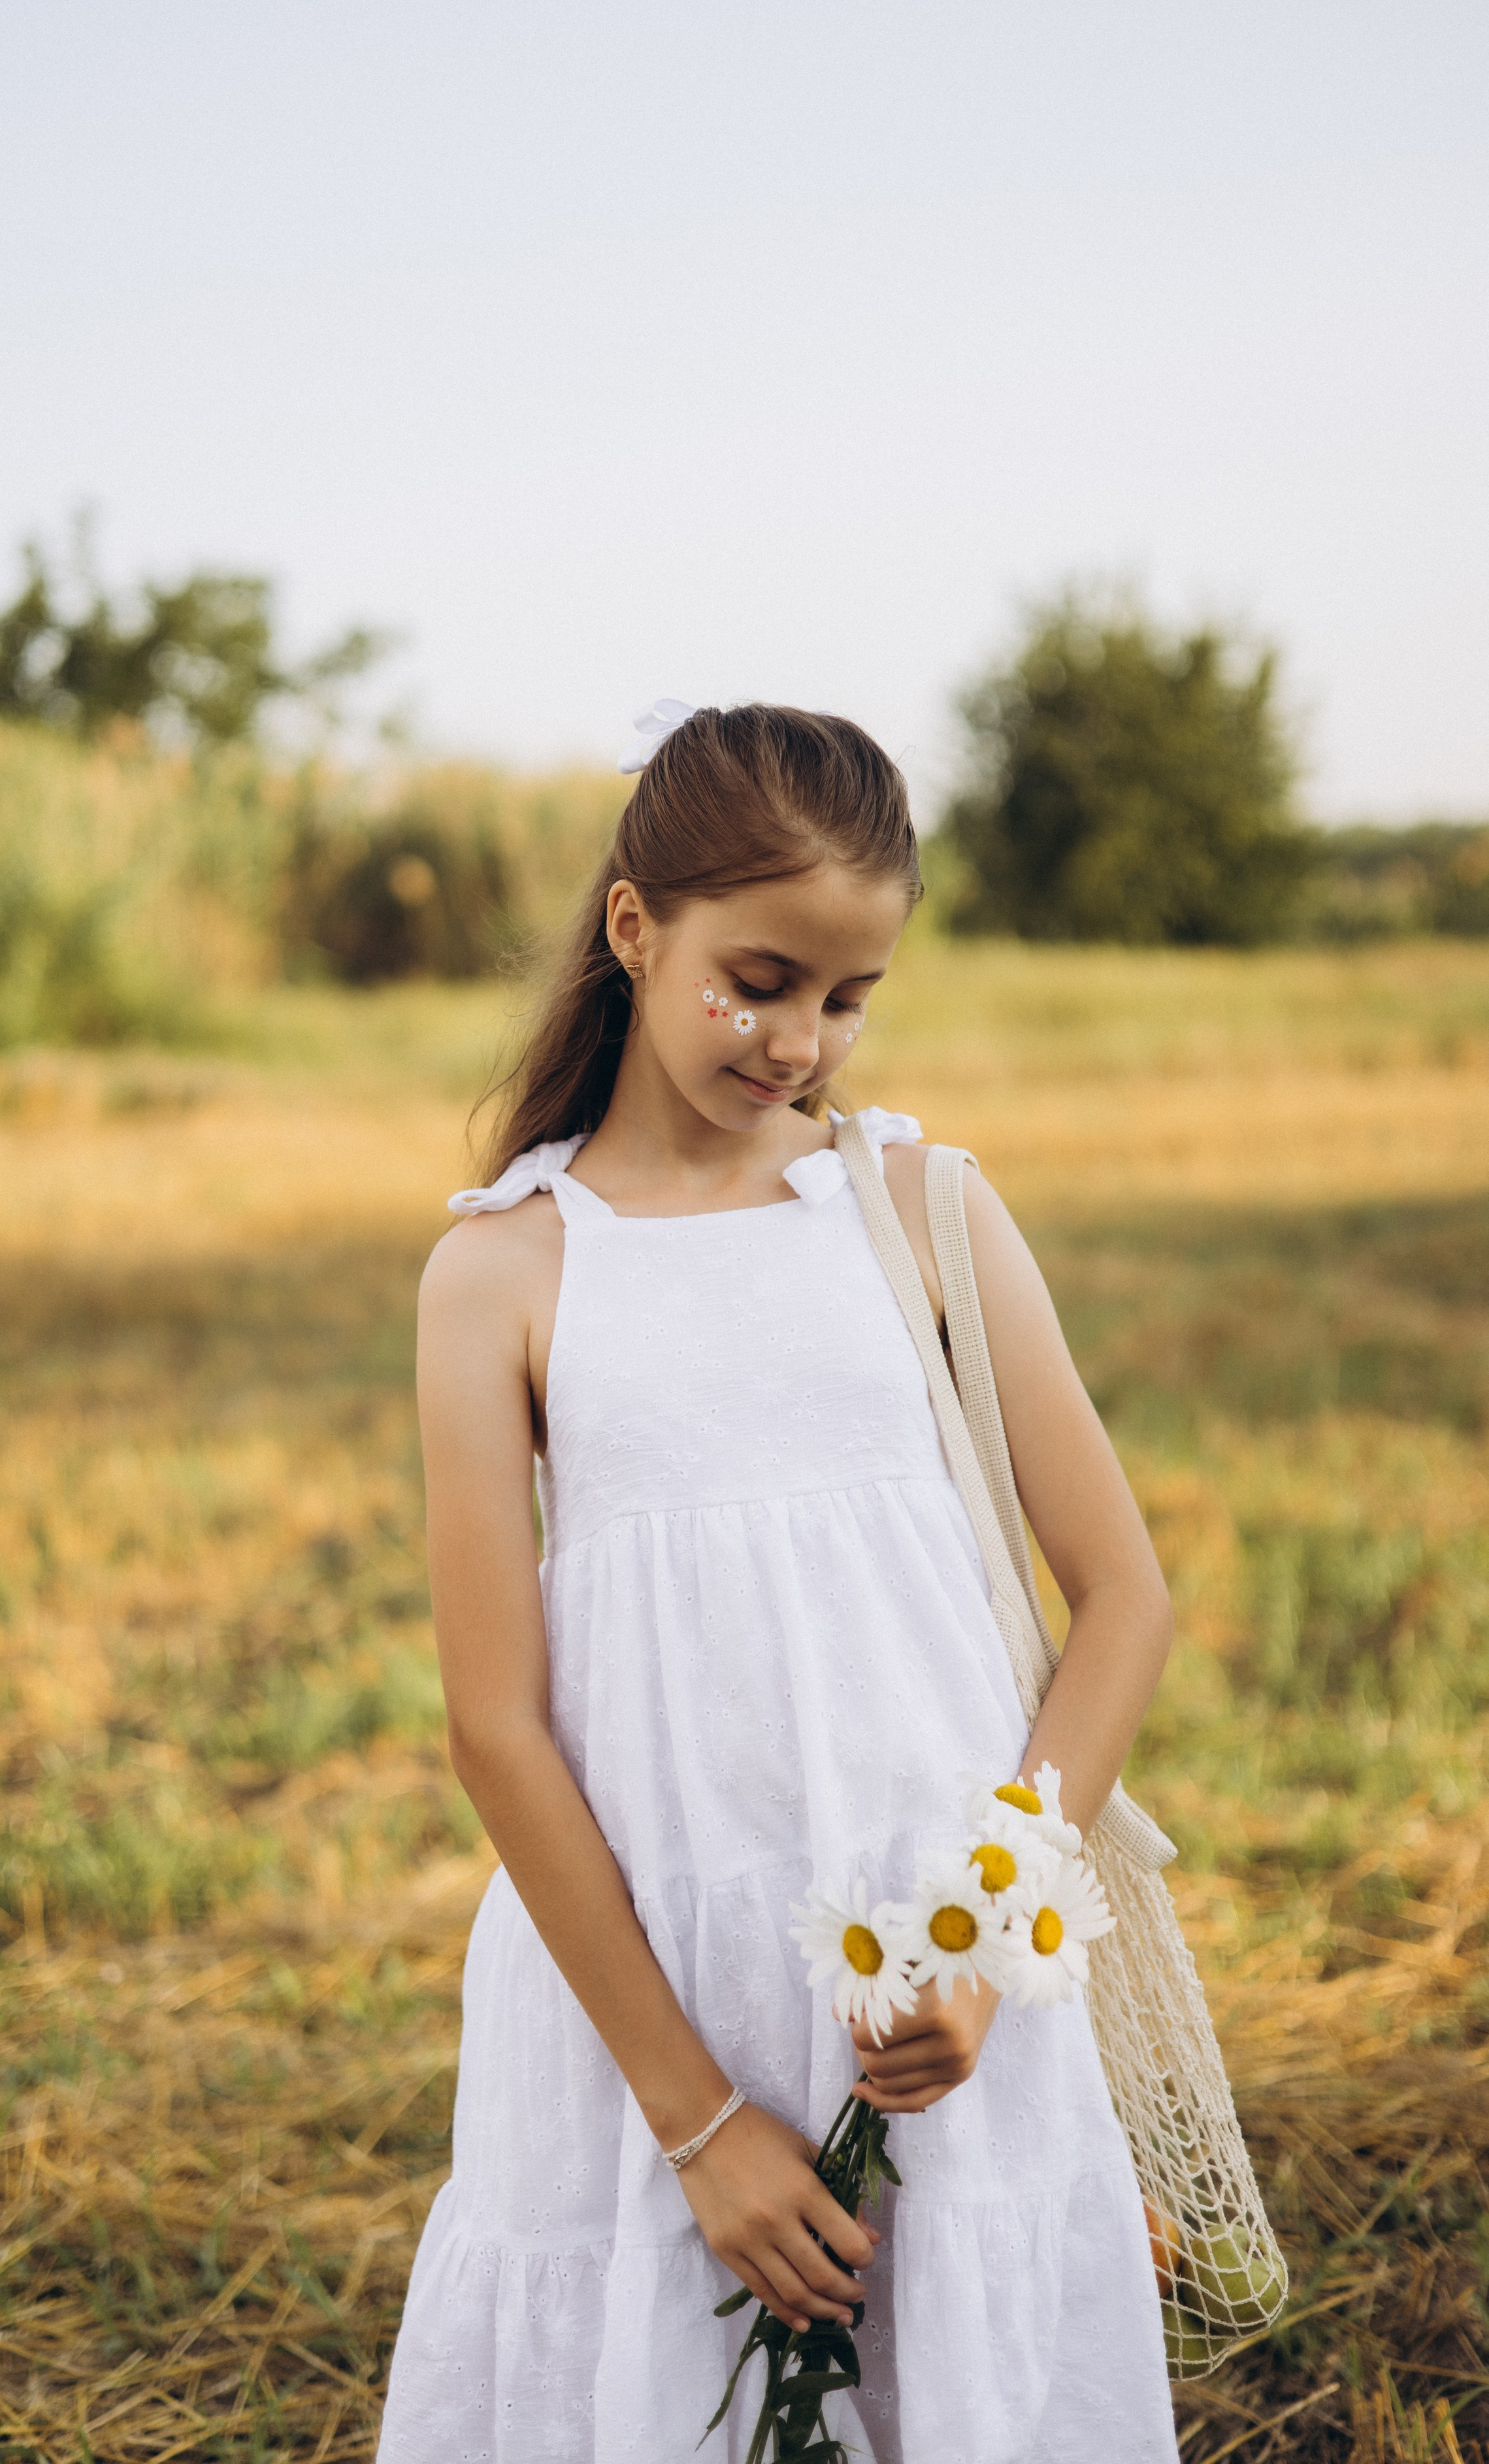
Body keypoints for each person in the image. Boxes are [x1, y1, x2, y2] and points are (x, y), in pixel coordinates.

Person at [378, 704, 1176, 2462]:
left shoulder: (924, 1208)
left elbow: (1121, 1600)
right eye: (760, 979)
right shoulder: (503, 1271)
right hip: (649, 1985)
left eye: (847, 997)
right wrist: (697, 2124)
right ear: (632, 927)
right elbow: (497, 1727)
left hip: (928, 1955)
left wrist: (980, 1941)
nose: (799, 1041)